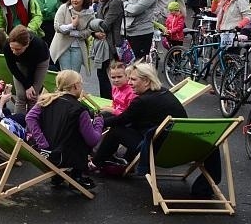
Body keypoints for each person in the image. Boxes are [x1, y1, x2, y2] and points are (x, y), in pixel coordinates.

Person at [93, 63, 223, 196]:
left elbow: (122, 119)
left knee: (117, 130)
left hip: (157, 151)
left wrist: (96, 123)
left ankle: (97, 162)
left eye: (133, 79)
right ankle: (203, 188)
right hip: (184, 149)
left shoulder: (142, 101)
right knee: (132, 126)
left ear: (146, 81)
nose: (129, 83)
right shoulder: (165, 92)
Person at [25, 69, 103, 190]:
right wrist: (99, 122)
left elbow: (29, 118)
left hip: (44, 152)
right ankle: (77, 175)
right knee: (82, 137)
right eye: (81, 84)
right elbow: (92, 140)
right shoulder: (79, 109)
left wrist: (41, 142)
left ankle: (58, 175)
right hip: (64, 157)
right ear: (76, 86)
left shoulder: (46, 100)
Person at [3, 25, 50, 117]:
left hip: (40, 62)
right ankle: (19, 123)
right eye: (12, 48)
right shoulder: (7, 46)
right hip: (20, 63)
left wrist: (30, 87)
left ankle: (30, 125)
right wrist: (27, 85)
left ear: (27, 44)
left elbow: (32, 69)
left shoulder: (37, 45)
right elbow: (12, 67)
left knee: (32, 96)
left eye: (18, 49)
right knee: (20, 95)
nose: (14, 52)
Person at [89, 0, 123, 99]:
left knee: (109, 75)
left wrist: (90, 24)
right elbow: (96, 23)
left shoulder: (115, 2)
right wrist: (94, 31)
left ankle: (109, 101)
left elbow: (105, 25)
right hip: (102, 41)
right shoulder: (101, 0)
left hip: (111, 44)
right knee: (102, 74)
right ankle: (107, 100)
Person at [50, 0, 94, 74]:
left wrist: (74, 33)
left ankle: (74, 88)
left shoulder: (89, 12)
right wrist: (72, 26)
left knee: (75, 74)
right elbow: (57, 27)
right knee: (65, 73)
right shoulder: (64, 8)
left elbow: (89, 30)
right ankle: (65, 88)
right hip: (62, 45)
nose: (74, 0)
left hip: (78, 46)